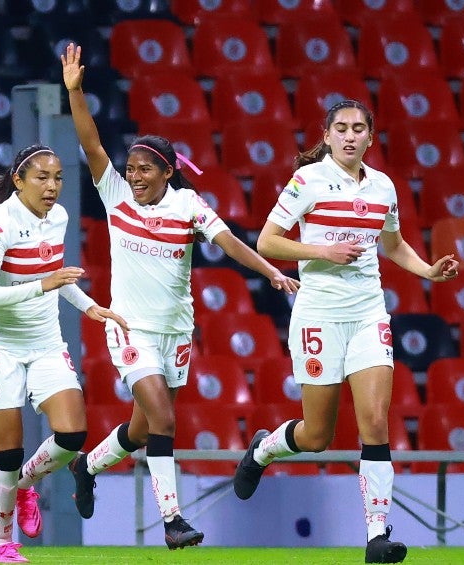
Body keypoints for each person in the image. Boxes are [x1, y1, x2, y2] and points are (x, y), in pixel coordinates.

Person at [60, 43, 300, 549]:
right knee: (166, 420)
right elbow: (91, 143)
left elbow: (231, 242)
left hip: (176, 333)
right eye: (131, 167)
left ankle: (86, 467)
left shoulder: (189, 205)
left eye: (145, 168)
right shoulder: (116, 196)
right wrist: (76, 91)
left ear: (168, 172)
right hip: (128, 328)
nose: (134, 174)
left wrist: (272, 272)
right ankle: (172, 522)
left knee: (143, 431)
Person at [232, 99, 459, 563]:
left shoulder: (383, 187)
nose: (351, 135)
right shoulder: (308, 180)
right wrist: (320, 251)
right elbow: (267, 241)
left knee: (375, 422)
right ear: (328, 134)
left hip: (368, 315)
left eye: (359, 128)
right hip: (318, 315)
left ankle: (377, 536)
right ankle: (263, 450)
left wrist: (428, 272)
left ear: (371, 137)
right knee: (317, 435)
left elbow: (392, 245)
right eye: (342, 128)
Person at [0, 144, 129, 564]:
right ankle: (1, 544)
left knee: (73, 435)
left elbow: (56, 274)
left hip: (45, 340)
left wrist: (90, 306)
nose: (52, 186)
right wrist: (44, 285)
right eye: (42, 177)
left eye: (58, 178)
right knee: (8, 451)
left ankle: (22, 487)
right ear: (18, 181)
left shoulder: (59, 217)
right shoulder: (0, 223)